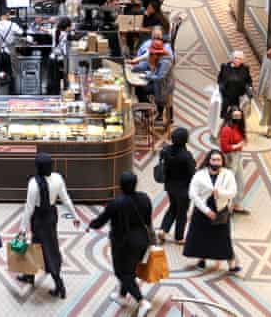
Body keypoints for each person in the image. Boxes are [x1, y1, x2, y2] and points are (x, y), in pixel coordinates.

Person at [89, 171, 153, 317]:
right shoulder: (145, 198)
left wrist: (90, 225)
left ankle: (142, 301)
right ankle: (122, 296)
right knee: (130, 269)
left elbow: (101, 220)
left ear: (121, 185)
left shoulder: (116, 203)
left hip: (123, 244)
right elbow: (148, 221)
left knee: (122, 273)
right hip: (142, 240)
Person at [18, 153, 79, 297]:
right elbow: (65, 198)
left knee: (47, 251)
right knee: (40, 245)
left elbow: (29, 207)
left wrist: (22, 228)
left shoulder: (33, 183)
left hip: (39, 218)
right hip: (51, 216)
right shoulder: (58, 178)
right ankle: (29, 275)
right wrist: (75, 216)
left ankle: (60, 285)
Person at [184, 150, 241, 274]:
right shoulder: (199, 175)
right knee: (201, 236)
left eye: (218, 160)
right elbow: (193, 194)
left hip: (220, 210)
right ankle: (201, 260)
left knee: (224, 238)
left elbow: (233, 191)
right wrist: (206, 211)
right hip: (202, 209)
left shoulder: (228, 174)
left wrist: (219, 193)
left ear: (222, 161)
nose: (216, 162)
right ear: (208, 161)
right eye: (213, 160)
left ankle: (231, 265)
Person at [159, 127, 195, 243]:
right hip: (183, 189)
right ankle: (179, 237)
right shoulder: (186, 156)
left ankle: (163, 230)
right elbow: (192, 173)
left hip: (170, 185)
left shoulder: (166, 150)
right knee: (182, 213)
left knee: (172, 208)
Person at [219, 106, 249, 214]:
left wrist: (240, 144)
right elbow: (224, 147)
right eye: (235, 116)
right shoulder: (226, 129)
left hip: (238, 156)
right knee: (229, 182)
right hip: (230, 157)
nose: (238, 118)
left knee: (240, 181)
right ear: (230, 116)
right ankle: (225, 207)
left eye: (239, 116)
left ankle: (236, 204)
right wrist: (237, 146)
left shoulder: (238, 127)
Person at [131, 39, 175, 112]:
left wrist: (145, 77)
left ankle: (148, 110)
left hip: (163, 86)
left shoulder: (165, 62)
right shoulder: (155, 57)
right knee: (139, 88)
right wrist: (134, 68)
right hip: (156, 83)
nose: (150, 54)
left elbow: (160, 77)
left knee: (141, 89)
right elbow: (146, 65)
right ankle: (148, 110)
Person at [217, 50, 253, 118]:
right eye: (236, 58)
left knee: (237, 116)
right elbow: (219, 78)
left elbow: (249, 80)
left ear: (242, 60)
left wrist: (250, 87)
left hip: (238, 96)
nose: (237, 60)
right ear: (232, 58)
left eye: (240, 58)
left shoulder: (245, 68)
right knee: (224, 114)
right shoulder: (225, 67)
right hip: (226, 94)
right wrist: (220, 86)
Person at [46, 17, 71, 94]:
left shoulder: (54, 30)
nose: (70, 28)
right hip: (58, 60)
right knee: (58, 79)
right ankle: (57, 95)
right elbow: (64, 52)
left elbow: (48, 31)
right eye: (70, 26)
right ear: (67, 27)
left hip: (51, 58)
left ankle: (50, 94)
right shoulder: (65, 35)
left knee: (51, 79)